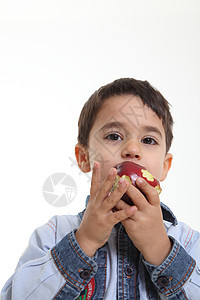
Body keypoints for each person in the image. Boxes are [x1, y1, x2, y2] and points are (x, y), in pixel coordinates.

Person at [1, 78, 200, 299]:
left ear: (164, 166)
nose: (132, 149)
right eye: (114, 136)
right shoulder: (53, 234)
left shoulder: (190, 242)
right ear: (84, 158)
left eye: (148, 140)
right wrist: (84, 241)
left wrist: (162, 251)